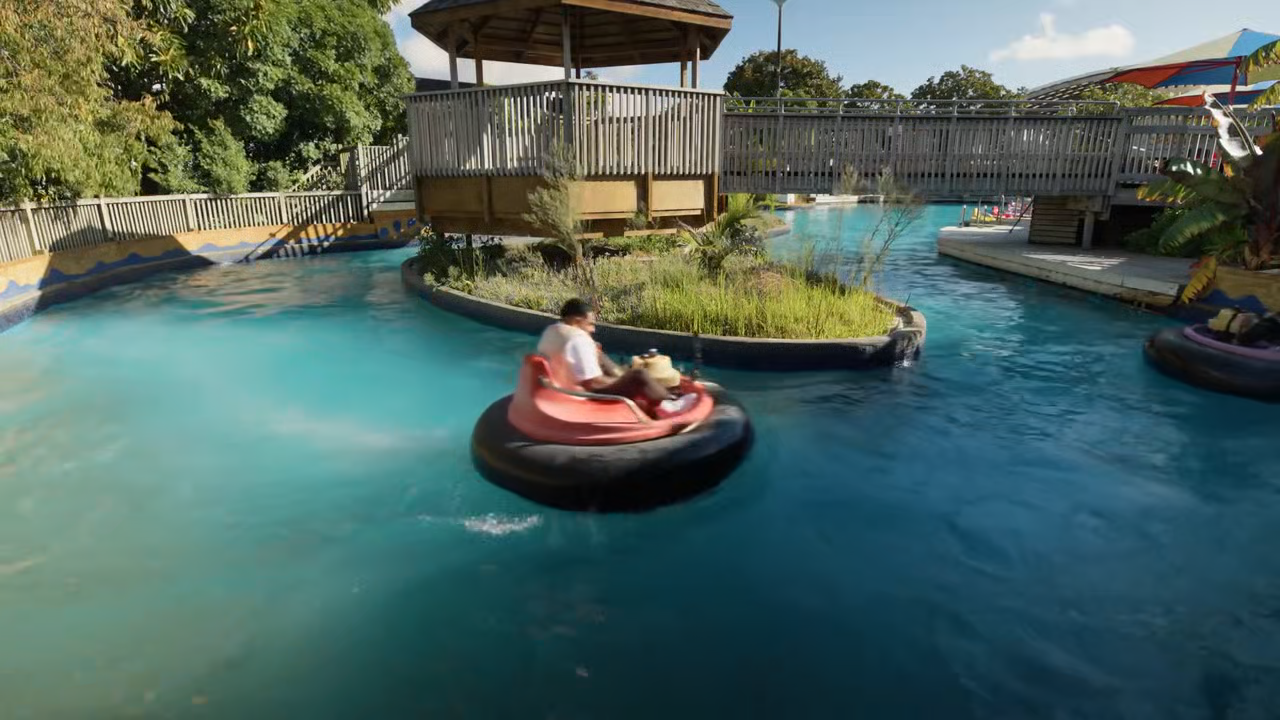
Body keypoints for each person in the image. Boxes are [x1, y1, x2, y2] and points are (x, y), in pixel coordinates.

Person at [537, 299, 697, 416]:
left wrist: (610, 367)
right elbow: (593, 382)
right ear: (576, 321)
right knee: (639, 375)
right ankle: (669, 404)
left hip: (559, 388)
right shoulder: (579, 339)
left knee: (601, 355)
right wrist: (627, 379)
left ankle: (655, 391)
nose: (593, 329)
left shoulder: (551, 331)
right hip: (582, 394)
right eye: (590, 324)